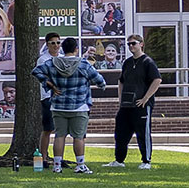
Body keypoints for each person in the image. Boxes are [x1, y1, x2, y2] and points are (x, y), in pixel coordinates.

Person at [32, 37, 106, 174]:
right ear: (76, 49)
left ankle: (57, 166)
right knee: (78, 137)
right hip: (79, 106)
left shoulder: (53, 63)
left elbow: (36, 71)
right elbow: (100, 81)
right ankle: (80, 165)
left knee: (59, 136)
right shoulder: (83, 64)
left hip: (58, 105)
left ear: (62, 49)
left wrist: (50, 84)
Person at [104, 34, 162, 170]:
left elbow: (157, 80)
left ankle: (146, 161)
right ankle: (119, 160)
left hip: (141, 105)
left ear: (141, 44)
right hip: (126, 105)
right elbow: (121, 81)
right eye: (129, 44)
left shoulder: (147, 62)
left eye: (133, 43)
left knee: (142, 133)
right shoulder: (128, 62)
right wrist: (120, 99)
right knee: (121, 133)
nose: (131, 46)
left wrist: (145, 98)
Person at [36, 32, 61, 166]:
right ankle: (43, 158)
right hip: (48, 97)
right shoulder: (43, 59)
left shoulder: (63, 58)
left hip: (61, 98)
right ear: (47, 44)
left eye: (58, 42)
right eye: (53, 43)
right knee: (47, 128)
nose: (56, 45)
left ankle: (58, 158)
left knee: (60, 130)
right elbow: (43, 78)